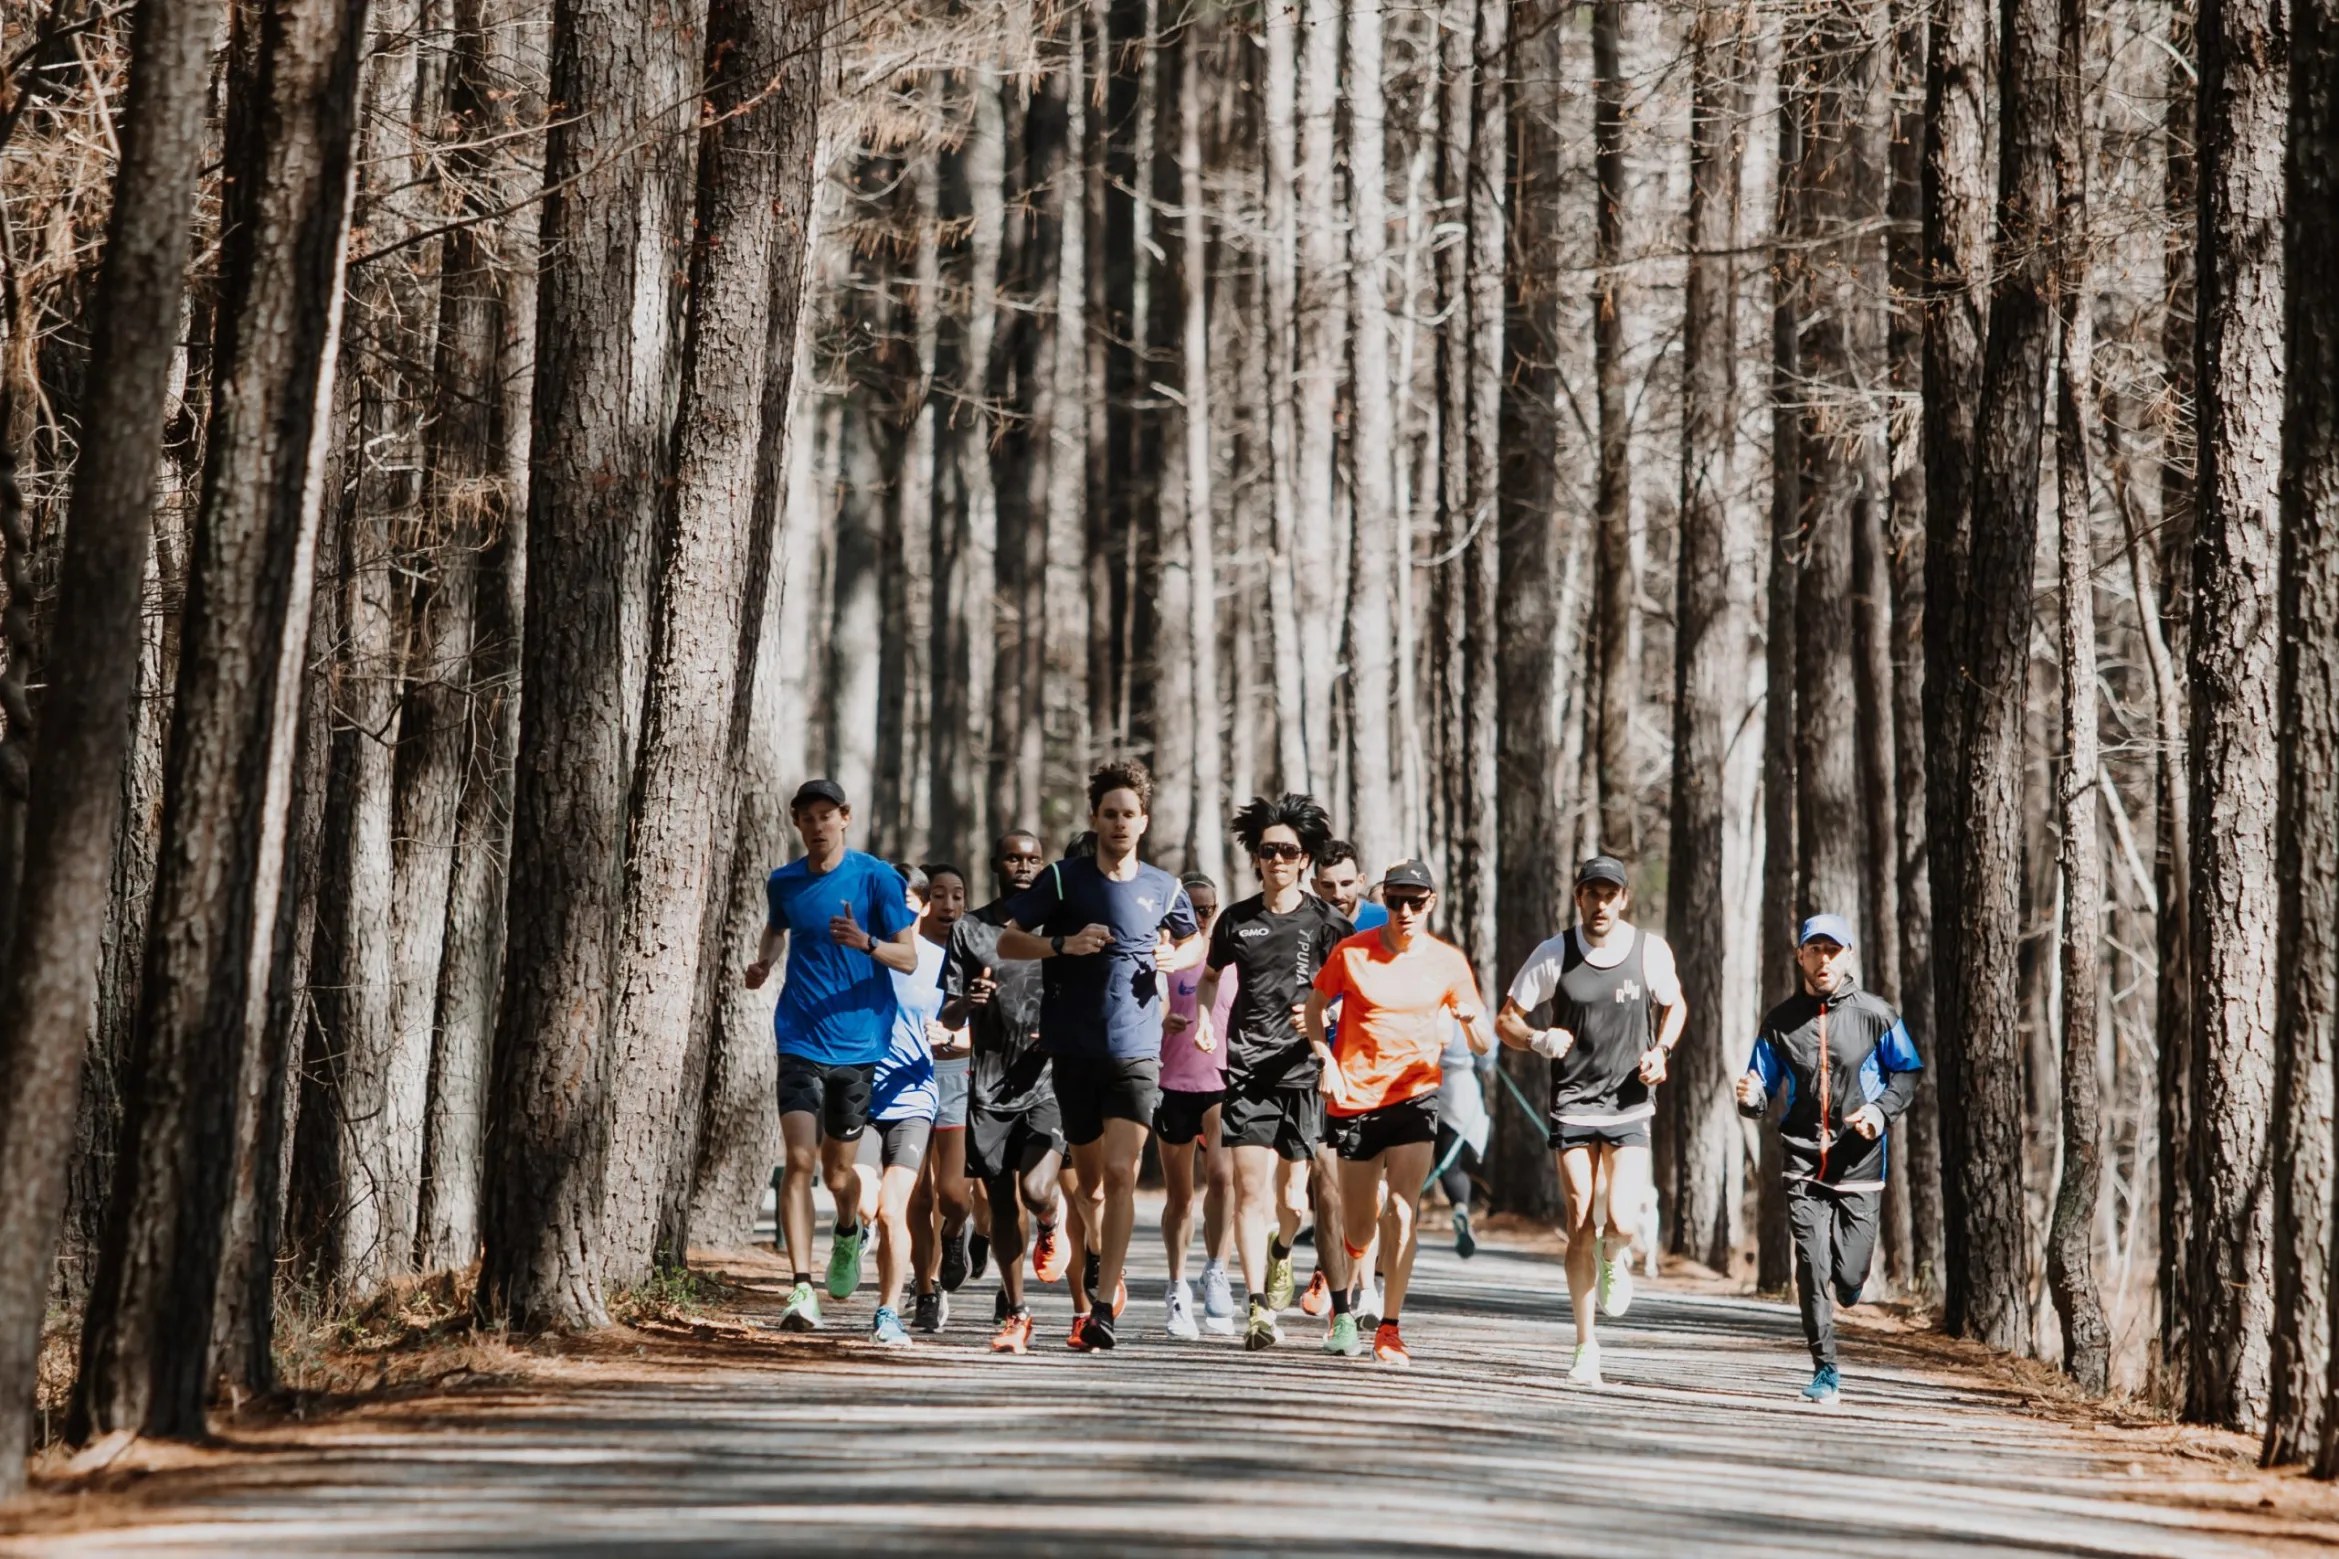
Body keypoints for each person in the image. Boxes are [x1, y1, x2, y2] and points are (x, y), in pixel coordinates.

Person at [996, 759, 1203, 1352]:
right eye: (1109, 814)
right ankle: (1087, 1246)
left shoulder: (1165, 887)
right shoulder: (1063, 881)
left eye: (1129, 814)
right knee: (1087, 1187)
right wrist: (1063, 943)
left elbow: (1195, 941)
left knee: (1121, 1175)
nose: (1119, 823)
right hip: (1076, 1050)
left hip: (1138, 1051)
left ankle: (1104, 1306)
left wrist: (1178, 961)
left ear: (1143, 821)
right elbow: (1008, 939)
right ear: (1095, 818)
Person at [1495, 854, 1686, 1386]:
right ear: (1578, 897)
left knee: (1621, 1219)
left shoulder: (1649, 952)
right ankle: (1585, 1345)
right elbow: (1505, 1019)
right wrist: (1536, 1039)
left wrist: (1661, 1052)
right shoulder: (1554, 952)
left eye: (1610, 894)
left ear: (1623, 899)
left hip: (1629, 1103)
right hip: (1573, 1104)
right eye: (1591, 894)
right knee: (1580, 1216)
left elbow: (1675, 1006)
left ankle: (1615, 1254)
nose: (1600, 904)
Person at [744, 780, 921, 1333]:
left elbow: (909, 958)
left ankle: (848, 1230)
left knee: (837, 1171)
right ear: (796, 823)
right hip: (799, 1035)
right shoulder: (786, 882)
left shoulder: (876, 879)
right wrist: (763, 963)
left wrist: (865, 943)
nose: (818, 826)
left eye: (828, 815)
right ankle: (801, 1288)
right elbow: (777, 928)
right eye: (808, 817)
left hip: (860, 1042)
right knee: (798, 1161)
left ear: (845, 817)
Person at [1306, 859, 1492, 1364]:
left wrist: (1472, 1023)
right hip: (1357, 1100)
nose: (1404, 910)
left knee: (1404, 1212)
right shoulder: (1351, 954)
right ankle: (1344, 1310)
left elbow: (1481, 1044)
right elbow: (1313, 1007)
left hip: (1415, 1095)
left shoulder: (1447, 962)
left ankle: (1388, 1327)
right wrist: (1326, 1059)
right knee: (1360, 1224)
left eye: (1415, 901)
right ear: (1383, 901)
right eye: (1394, 900)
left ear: (1430, 902)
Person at [1737, 913, 1922, 1407]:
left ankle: (1852, 1285)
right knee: (1810, 1264)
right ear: (1800, 956)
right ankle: (1825, 1370)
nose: (1823, 960)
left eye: (1832, 950)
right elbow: (1760, 1086)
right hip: (1800, 1156)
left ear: (1848, 957)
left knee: (1846, 1277)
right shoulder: (1780, 1022)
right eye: (1814, 950)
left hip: (1858, 1161)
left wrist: (1880, 1115)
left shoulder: (1876, 1014)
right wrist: (1750, 1096)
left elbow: (1907, 1073)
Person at [1201, 794, 1353, 1351]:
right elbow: (1212, 976)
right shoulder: (1236, 920)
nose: (1278, 860)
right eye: (1269, 851)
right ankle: (1259, 1310)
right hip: (1248, 1069)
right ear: (1256, 857)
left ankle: (1283, 1249)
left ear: (1305, 859)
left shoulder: (1329, 923)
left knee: (1295, 1201)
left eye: (1289, 851)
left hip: (1305, 1073)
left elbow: (1354, 995)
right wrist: (1202, 1022)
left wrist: (1326, 1012)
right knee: (1249, 1191)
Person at [940, 830, 1069, 1355]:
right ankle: (1016, 1311)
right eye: (1013, 858)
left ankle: (1052, 1218)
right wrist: (969, 1002)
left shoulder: (1060, 928)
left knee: (1036, 1189)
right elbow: (946, 1014)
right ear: (995, 864)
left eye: (1033, 859)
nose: (1023, 866)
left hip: (1049, 1081)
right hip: (989, 1087)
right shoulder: (971, 930)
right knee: (998, 1204)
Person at [859, 865, 944, 1347]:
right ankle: (851, 1228)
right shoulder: (860, 953)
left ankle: (887, 1312)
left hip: (913, 1097)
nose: (896, 913)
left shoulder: (938, 961)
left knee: (895, 1212)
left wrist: (951, 1034)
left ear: (923, 907)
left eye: (907, 905)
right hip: (858, 1092)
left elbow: (964, 1024)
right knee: (863, 1199)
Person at [1156, 873, 1239, 1337]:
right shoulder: (1162, 960)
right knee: (1181, 1198)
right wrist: (1159, 1021)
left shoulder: (1228, 960)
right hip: (1172, 1085)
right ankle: (1176, 1288)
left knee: (1223, 1178)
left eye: (1208, 908)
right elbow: (1139, 1012)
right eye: (1191, 907)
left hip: (1221, 1083)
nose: (1200, 915)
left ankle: (1217, 1270)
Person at [908, 864, 975, 1334]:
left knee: (953, 1196)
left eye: (958, 895)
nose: (949, 905)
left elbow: (991, 1022)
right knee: (917, 1195)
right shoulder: (903, 951)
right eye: (939, 895)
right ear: (924, 901)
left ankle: (955, 1235)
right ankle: (926, 1290)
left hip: (956, 1078)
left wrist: (957, 1035)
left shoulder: (974, 951)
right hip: (906, 1078)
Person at [1432, 1012, 1491, 1258]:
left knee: (1413, 1163)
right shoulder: (1472, 1009)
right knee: (1451, 1165)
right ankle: (1461, 1208)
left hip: (1424, 1080)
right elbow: (1488, 1056)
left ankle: (1403, 1223)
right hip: (1461, 1085)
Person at [1313, 840, 1388, 932]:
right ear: (1314, 886)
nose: (1338, 894)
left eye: (1346, 884)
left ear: (1361, 881)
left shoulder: (1386, 921)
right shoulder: (1305, 925)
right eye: (1328, 886)